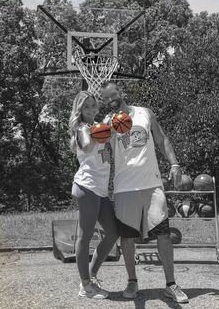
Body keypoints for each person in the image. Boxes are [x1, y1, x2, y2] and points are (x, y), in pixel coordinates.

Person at [101, 82, 189, 304]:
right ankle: (132, 281)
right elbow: (100, 155)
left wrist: (175, 164)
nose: (110, 100)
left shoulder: (144, 113)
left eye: (112, 95)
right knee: (127, 237)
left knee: (163, 234)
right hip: (124, 187)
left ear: (121, 92)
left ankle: (171, 284)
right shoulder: (106, 123)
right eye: (105, 99)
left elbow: (161, 139)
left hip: (152, 185)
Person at [69, 90, 119, 300]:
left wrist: (113, 128)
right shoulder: (82, 128)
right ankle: (86, 286)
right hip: (86, 187)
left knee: (113, 232)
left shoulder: (99, 127)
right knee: (85, 236)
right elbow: (88, 144)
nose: (91, 110)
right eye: (86, 107)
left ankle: (91, 275)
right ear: (79, 111)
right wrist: (104, 128)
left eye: (93, 106)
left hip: (99, 189)